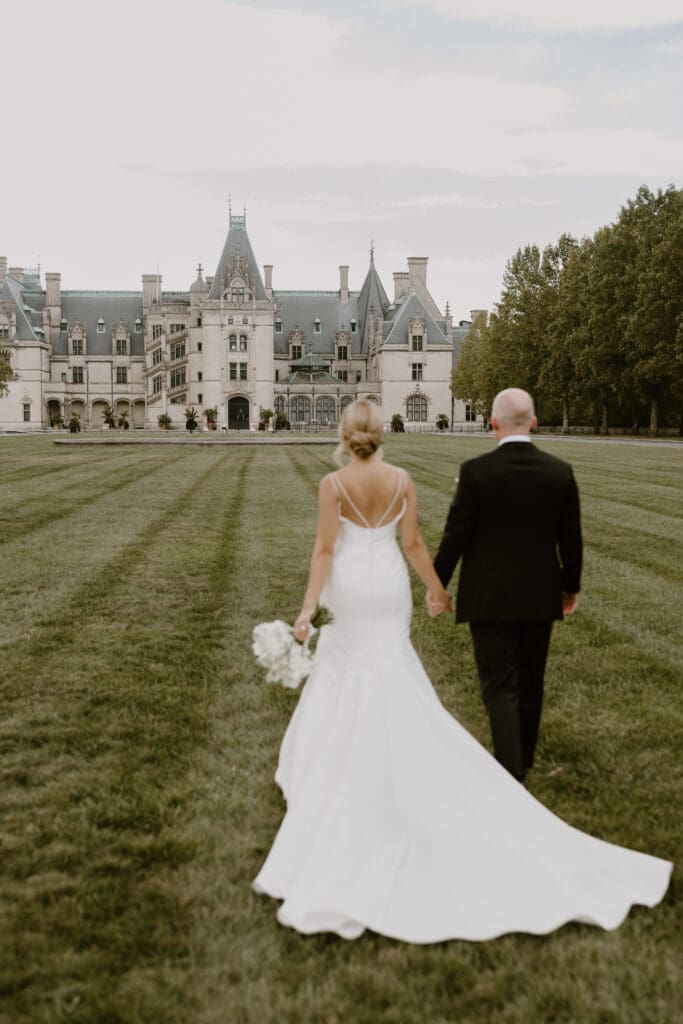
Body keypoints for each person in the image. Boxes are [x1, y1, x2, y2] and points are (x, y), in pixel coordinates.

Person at [253, 399, 671, 942]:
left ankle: (345, 764)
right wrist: (433, 585)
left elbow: (325, 550)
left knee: (366, 669)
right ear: (381, 434)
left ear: (344, 434)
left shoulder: (336, 485)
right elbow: (414, 543)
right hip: (400, 594)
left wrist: (308, 610)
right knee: (427, 673)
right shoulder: (405, 478)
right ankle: (488, 768)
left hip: (359, 589)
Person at [431, 388, 581, 782]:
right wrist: (570, 588)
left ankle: (511, 771)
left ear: (493, 424)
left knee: (499, 684)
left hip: (488, 595)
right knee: (532, 682)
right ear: (533, 422)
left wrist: (438, 585)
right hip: (539, 594)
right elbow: (571, 542)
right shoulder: (559, 472)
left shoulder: (476, 472)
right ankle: (523, 761)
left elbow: (455, 537)